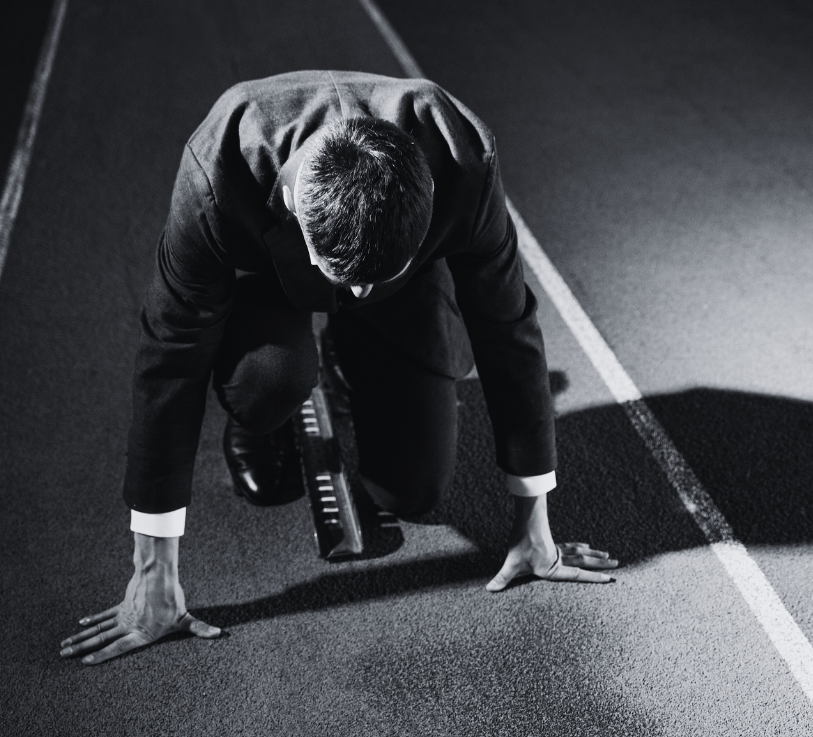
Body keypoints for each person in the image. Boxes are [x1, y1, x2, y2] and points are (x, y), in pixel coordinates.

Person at [59, 71, 617, 666]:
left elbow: (508, 328)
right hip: (273, 282)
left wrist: (534, 527)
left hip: (406, 285)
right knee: (268, 383)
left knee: (413, 491)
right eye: (347, 281)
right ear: (293, 206)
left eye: (367, 282)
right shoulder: (218, 167)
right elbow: (172, 356)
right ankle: (271, 394)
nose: (357, 293)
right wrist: (153, 573)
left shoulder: (464, 159)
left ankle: (357, 350)